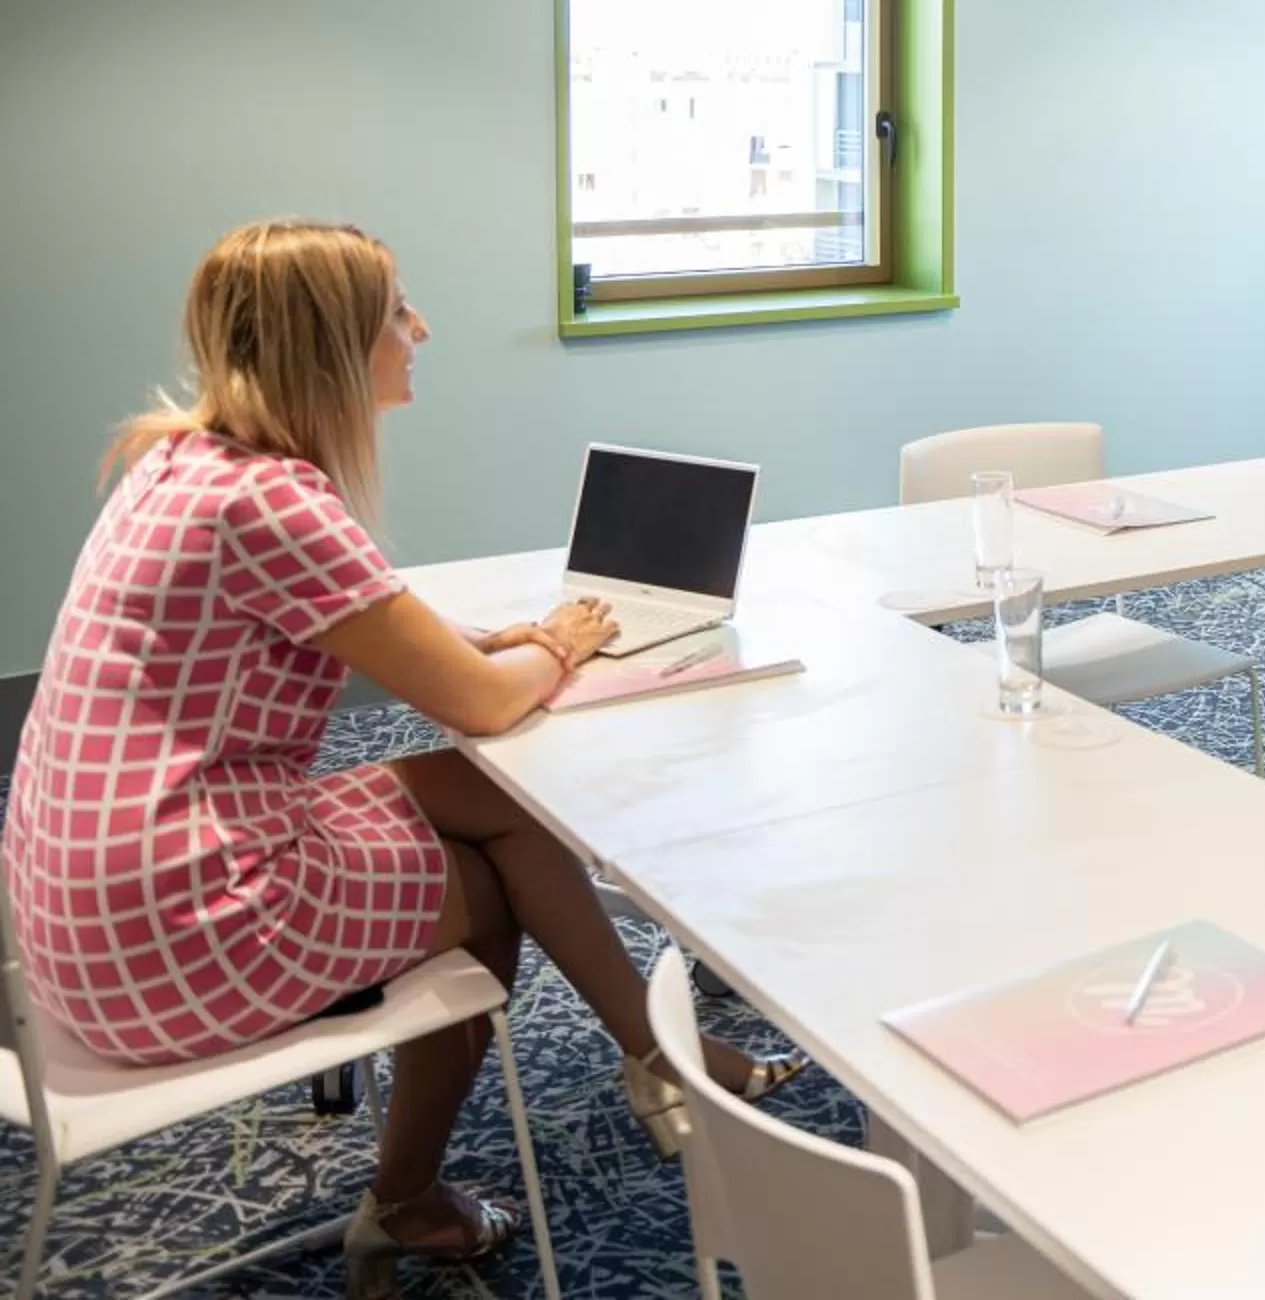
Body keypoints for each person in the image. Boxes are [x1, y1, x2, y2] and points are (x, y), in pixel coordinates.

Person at [2, 221, 806, 1299]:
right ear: (331, 345)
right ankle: (414, 1199)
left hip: (76, 904)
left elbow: (349, 619)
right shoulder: (272, 501)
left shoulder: (181, 464)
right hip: (174, 931)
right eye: (395, 313)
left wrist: (488, 641)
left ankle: (662, 1056)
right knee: (490, 890)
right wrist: (560, 642)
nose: (419, 329)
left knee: (491, 799)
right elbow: (479, 700)